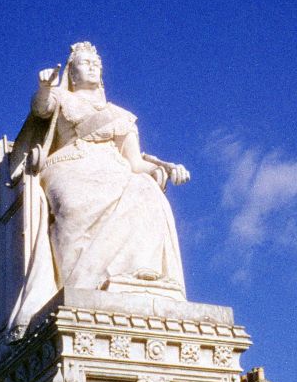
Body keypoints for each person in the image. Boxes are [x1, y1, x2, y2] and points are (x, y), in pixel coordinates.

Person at [24, 41, 190, 299]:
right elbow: (41, 108)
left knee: (146, 190)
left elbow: (135, 163)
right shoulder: (62, 97)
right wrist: (45, 87)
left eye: (95, 64)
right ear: (71, 71)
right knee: (72, 204)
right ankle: (77, 285)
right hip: (70, 165)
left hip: (115, 169)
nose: (91, 67)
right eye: (84, 63)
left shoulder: (120, 115)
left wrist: (161, 171)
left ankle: (137, 274)